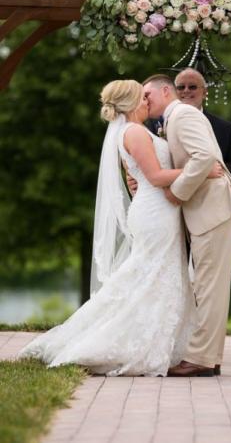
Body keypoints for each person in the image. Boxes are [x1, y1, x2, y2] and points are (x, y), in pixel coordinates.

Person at [18, 80, 194, 377]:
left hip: (157, 211)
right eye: (143, 96)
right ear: (131, 102)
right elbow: (155, 176)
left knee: (152, 276)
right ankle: (109, 342)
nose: (147, 101)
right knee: (148, 276)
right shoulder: (135, 131)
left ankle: (156, 341)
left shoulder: (131, 130)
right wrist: (200, 170)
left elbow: (136, 176)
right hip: (155, 214)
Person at [143, 74, 231, 377]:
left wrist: (176, 192)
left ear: (164, 91)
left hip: (212, 209)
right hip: (206, 209)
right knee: (206, 285)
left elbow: (205, 158)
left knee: (209, 287)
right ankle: (208, 357)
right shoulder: (173, 117)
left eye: (147, 95)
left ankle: (201, 358)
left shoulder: (182, 114)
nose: (144, 101)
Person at [174, 68, 231, 184]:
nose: (186, 91)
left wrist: (214, 170)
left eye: (192, 87)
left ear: (204, 93)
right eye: (181, 87)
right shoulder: (159, 122)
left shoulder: (224, 128)